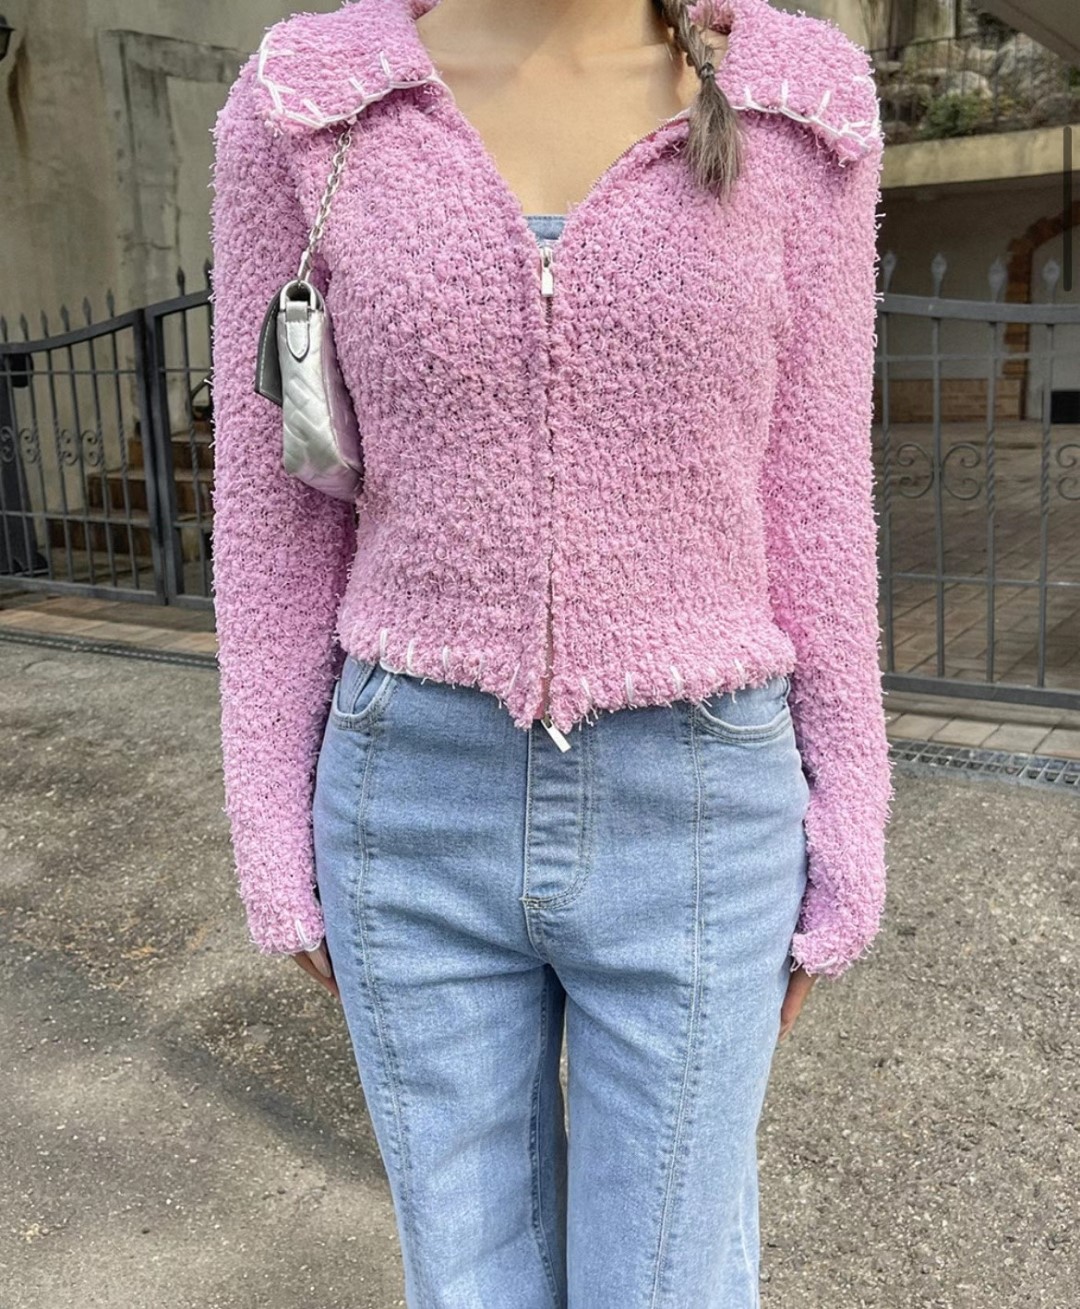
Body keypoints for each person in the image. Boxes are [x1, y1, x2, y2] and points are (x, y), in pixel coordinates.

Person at [209, 0, 894, 1303]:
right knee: (468, 1282)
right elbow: (274, 499)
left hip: (701, 807)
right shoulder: (311, 106)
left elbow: (816, 491)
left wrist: (849, 812)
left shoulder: (800, 107)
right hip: (409, 799)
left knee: (670, 1282)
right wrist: (268, 819)